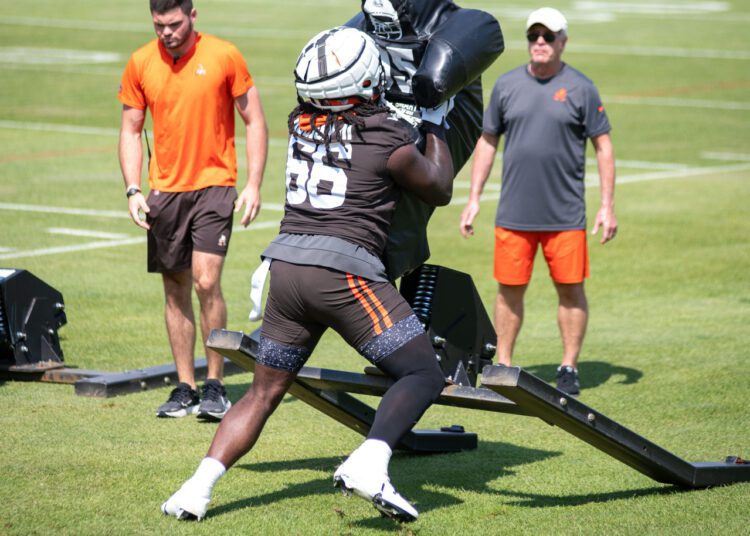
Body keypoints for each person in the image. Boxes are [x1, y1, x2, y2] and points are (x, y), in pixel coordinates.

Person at [161, 26, 453, 523]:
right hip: (344, 274)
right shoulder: (384, 133)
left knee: (262, 391)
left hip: (287, 270)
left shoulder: (301, 122)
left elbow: (350, 119)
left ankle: (196, 488)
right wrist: (437, 123)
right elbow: (439, 186)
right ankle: (372, 460)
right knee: (424, 371)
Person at [118, 0, 268, 419]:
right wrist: (133, 189)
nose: (167, 32)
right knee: (174, 286)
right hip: (164, 191)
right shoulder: (141, 62)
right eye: (159, 25)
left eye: (174, 24)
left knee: (206, 281)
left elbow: (254, 120)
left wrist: (254, 183)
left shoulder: (224, 55)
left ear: (193, 15)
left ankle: (215, 384)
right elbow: (130, 129)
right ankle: (184, 387)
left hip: (215, 187)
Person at [458, 7, 617, 395]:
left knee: (570, 289)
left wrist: (607, 205)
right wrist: (474, 197)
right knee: (509, 290)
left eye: (548, 36)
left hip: (566, 216)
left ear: (563, 41)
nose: (540, 43)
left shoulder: (581, 87)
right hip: (514, 214)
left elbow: (603, 146)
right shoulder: (508, 85)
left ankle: (568, 367)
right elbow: (488, 140)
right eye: (534, 37)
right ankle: (504, 365)